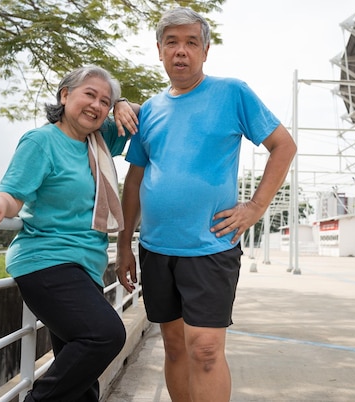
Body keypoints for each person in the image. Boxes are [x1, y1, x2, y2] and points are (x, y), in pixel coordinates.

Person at [115, 7, 297, 402]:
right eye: (172, 43)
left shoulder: (232, 93)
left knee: (207, 350)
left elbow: (284, 146)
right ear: (160, 51)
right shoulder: (148, 111)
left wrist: (255, 207)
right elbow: (134, 181)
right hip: (157, 248)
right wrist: (124, 243)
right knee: (176, 346)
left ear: (205, 51)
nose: (181, 51)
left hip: (211, 245)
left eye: (191, 42)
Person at [0, 65, 140, 402]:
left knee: (81, 382)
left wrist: (124, 103)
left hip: (85, 266)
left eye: (105, 101)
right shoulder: (42, 141)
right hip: (46, 261)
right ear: (64, 95)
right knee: (104, 336)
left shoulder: (100, 140)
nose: (96, 105)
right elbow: (13, 192)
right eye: (89, 94)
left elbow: (149, 113)